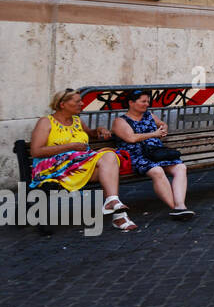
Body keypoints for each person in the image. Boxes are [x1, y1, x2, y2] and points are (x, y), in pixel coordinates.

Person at [29, 88, 136, 232]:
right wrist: (70, 147)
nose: (82, 103)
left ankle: (113, 203)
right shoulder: (46, 122)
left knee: (109, 159)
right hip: (53, 169)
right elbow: (36, 151)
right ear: (62, 104)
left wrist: (98, 130)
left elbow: (89, 134)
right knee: (109, 161)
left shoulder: (77, 120)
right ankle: (119, 216)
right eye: (78, 101)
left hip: (79, 167)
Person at [113, 88, 192, 221]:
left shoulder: (149, 115)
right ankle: (175, 208)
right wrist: (154, 134)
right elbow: (131, 138)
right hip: (136, 156)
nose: (146, 104)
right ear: (131, 103)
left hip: (156, 153)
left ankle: (180, 205)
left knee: (180, 167)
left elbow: (161, 123)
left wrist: (163, 127)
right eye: (143, 101)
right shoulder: (120, 121)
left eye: (147, 101)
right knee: (157, 171)